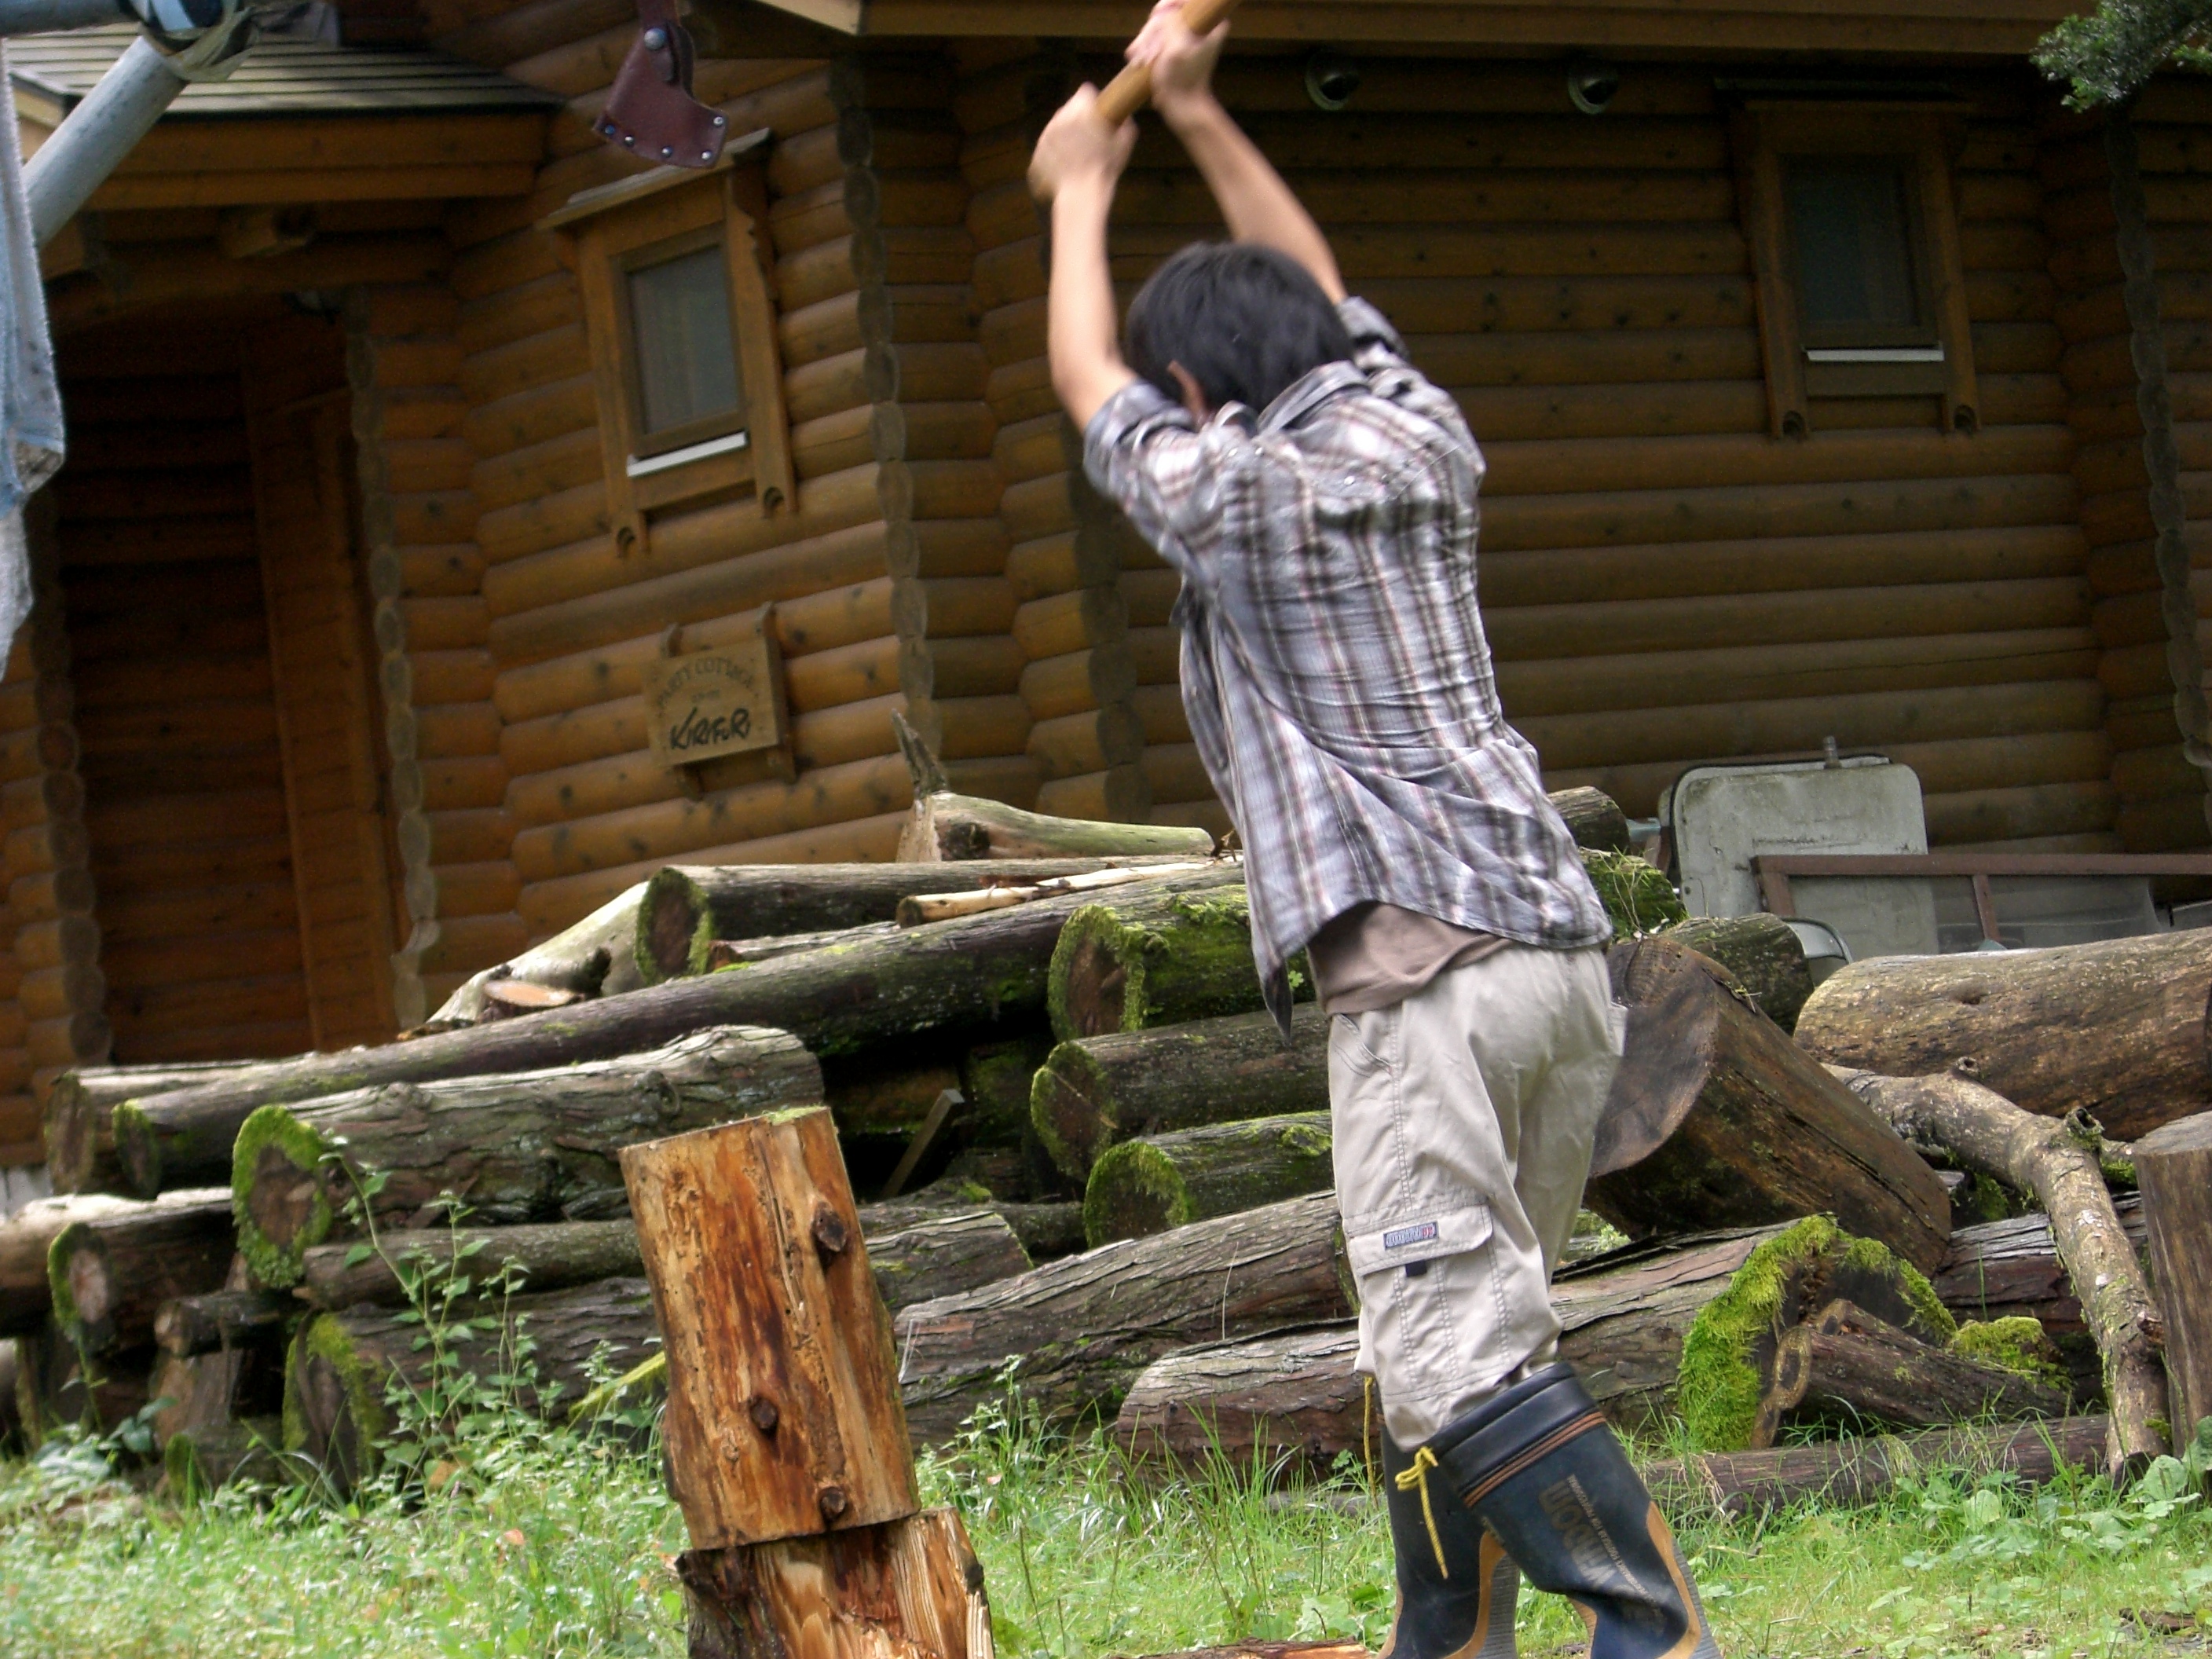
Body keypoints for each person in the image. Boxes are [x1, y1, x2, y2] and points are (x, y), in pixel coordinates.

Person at [1026, 9, 1723, 1658]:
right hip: (1559, 968)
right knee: (1454, 1330)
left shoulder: (1239, 498)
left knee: (1450, 1348)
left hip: (1424, 984)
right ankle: (1451, 1642)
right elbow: (1320, 295)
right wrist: (1194, 112)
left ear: (1204, 388)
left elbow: (1087, 388)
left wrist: (1074, 190)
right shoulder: (1417, 431)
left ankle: (1655, 1633)